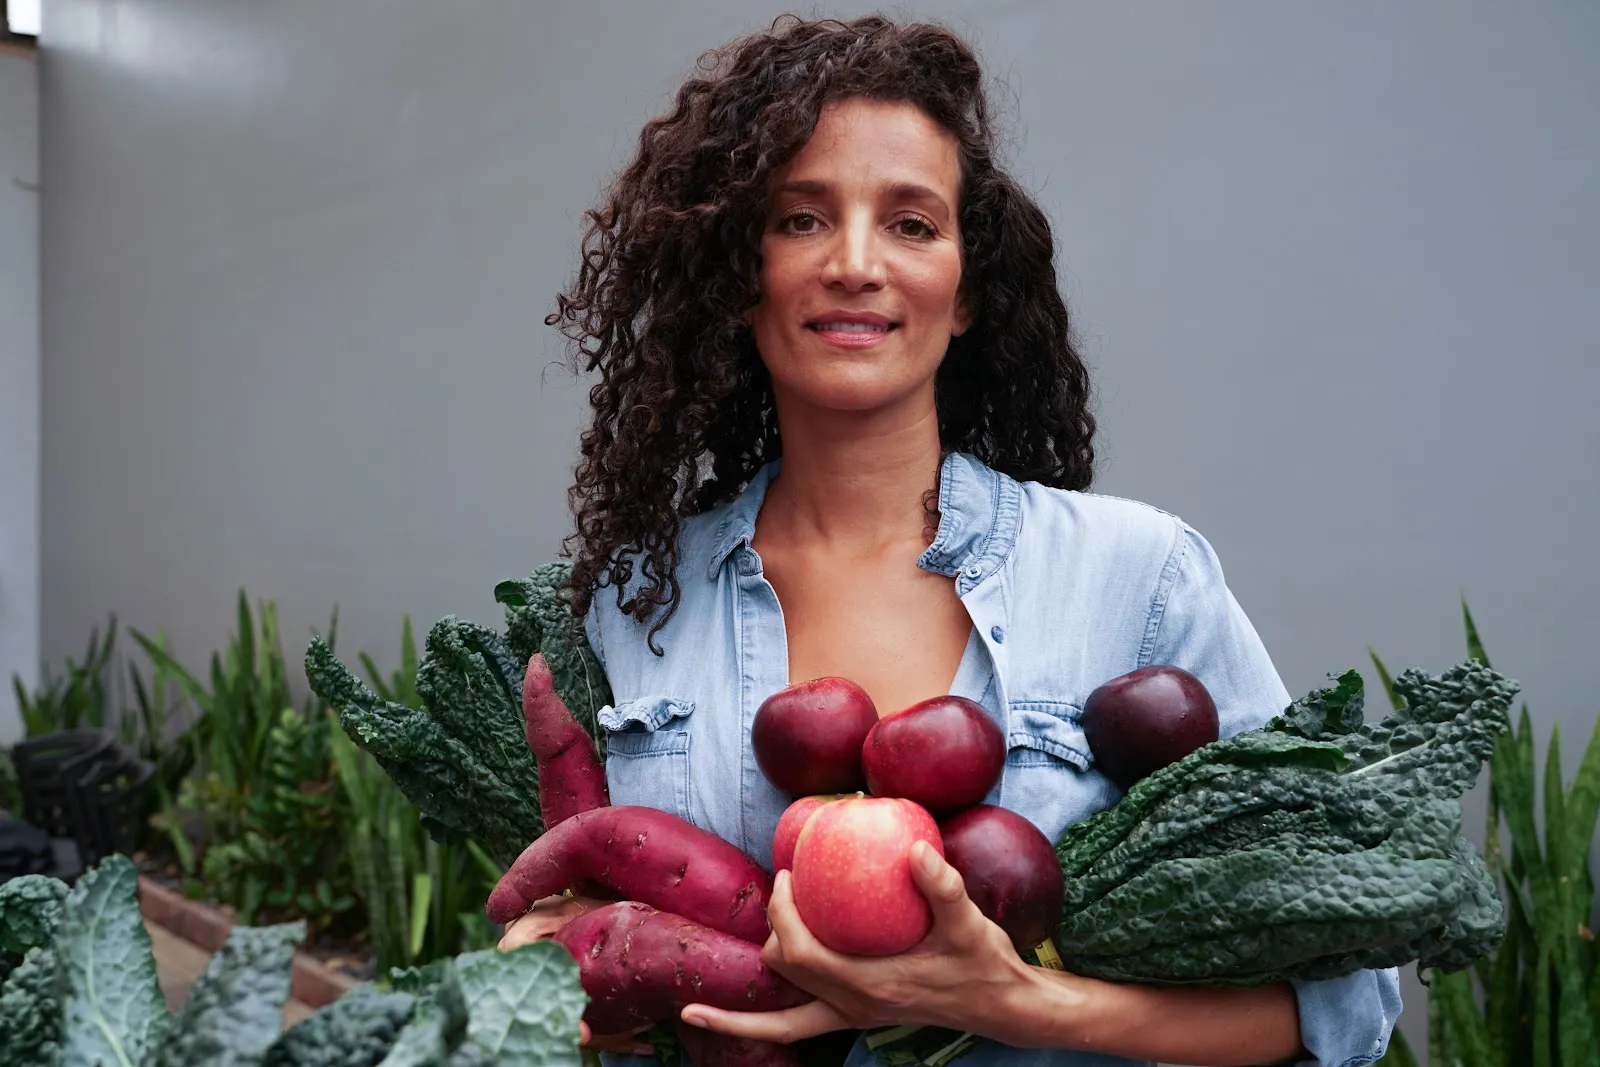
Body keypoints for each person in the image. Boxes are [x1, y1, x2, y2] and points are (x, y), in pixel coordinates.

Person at [500, 14, 1402, 1067]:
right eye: (800, 218)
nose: (853, 263)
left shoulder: (1136, 577)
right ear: (738, 274)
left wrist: (1012, 998)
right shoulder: (634, 597)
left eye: (911, 224)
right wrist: (546, 958)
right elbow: (600, 932)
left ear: (968, 288)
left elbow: (1345, 995)